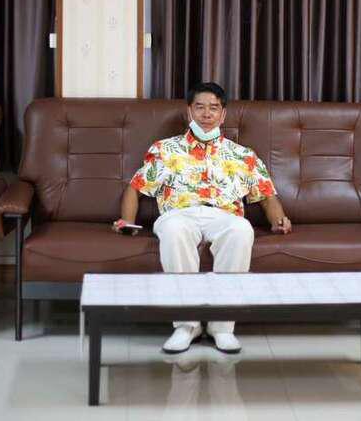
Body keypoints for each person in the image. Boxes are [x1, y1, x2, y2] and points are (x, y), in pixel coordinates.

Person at [114, 82, 292, 355]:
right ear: (189, 111)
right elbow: (135, 188)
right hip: (179, 214)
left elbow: (267, 196)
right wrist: (127, 221)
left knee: (242, 230)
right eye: (200, 107)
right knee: (173, 230)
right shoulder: (165, 150)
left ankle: (223, 328)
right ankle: (187, 326)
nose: (206, 114)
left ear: (223, 114)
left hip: (224, 216)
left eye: (213, 108)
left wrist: (279, 220)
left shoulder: (243, 155)